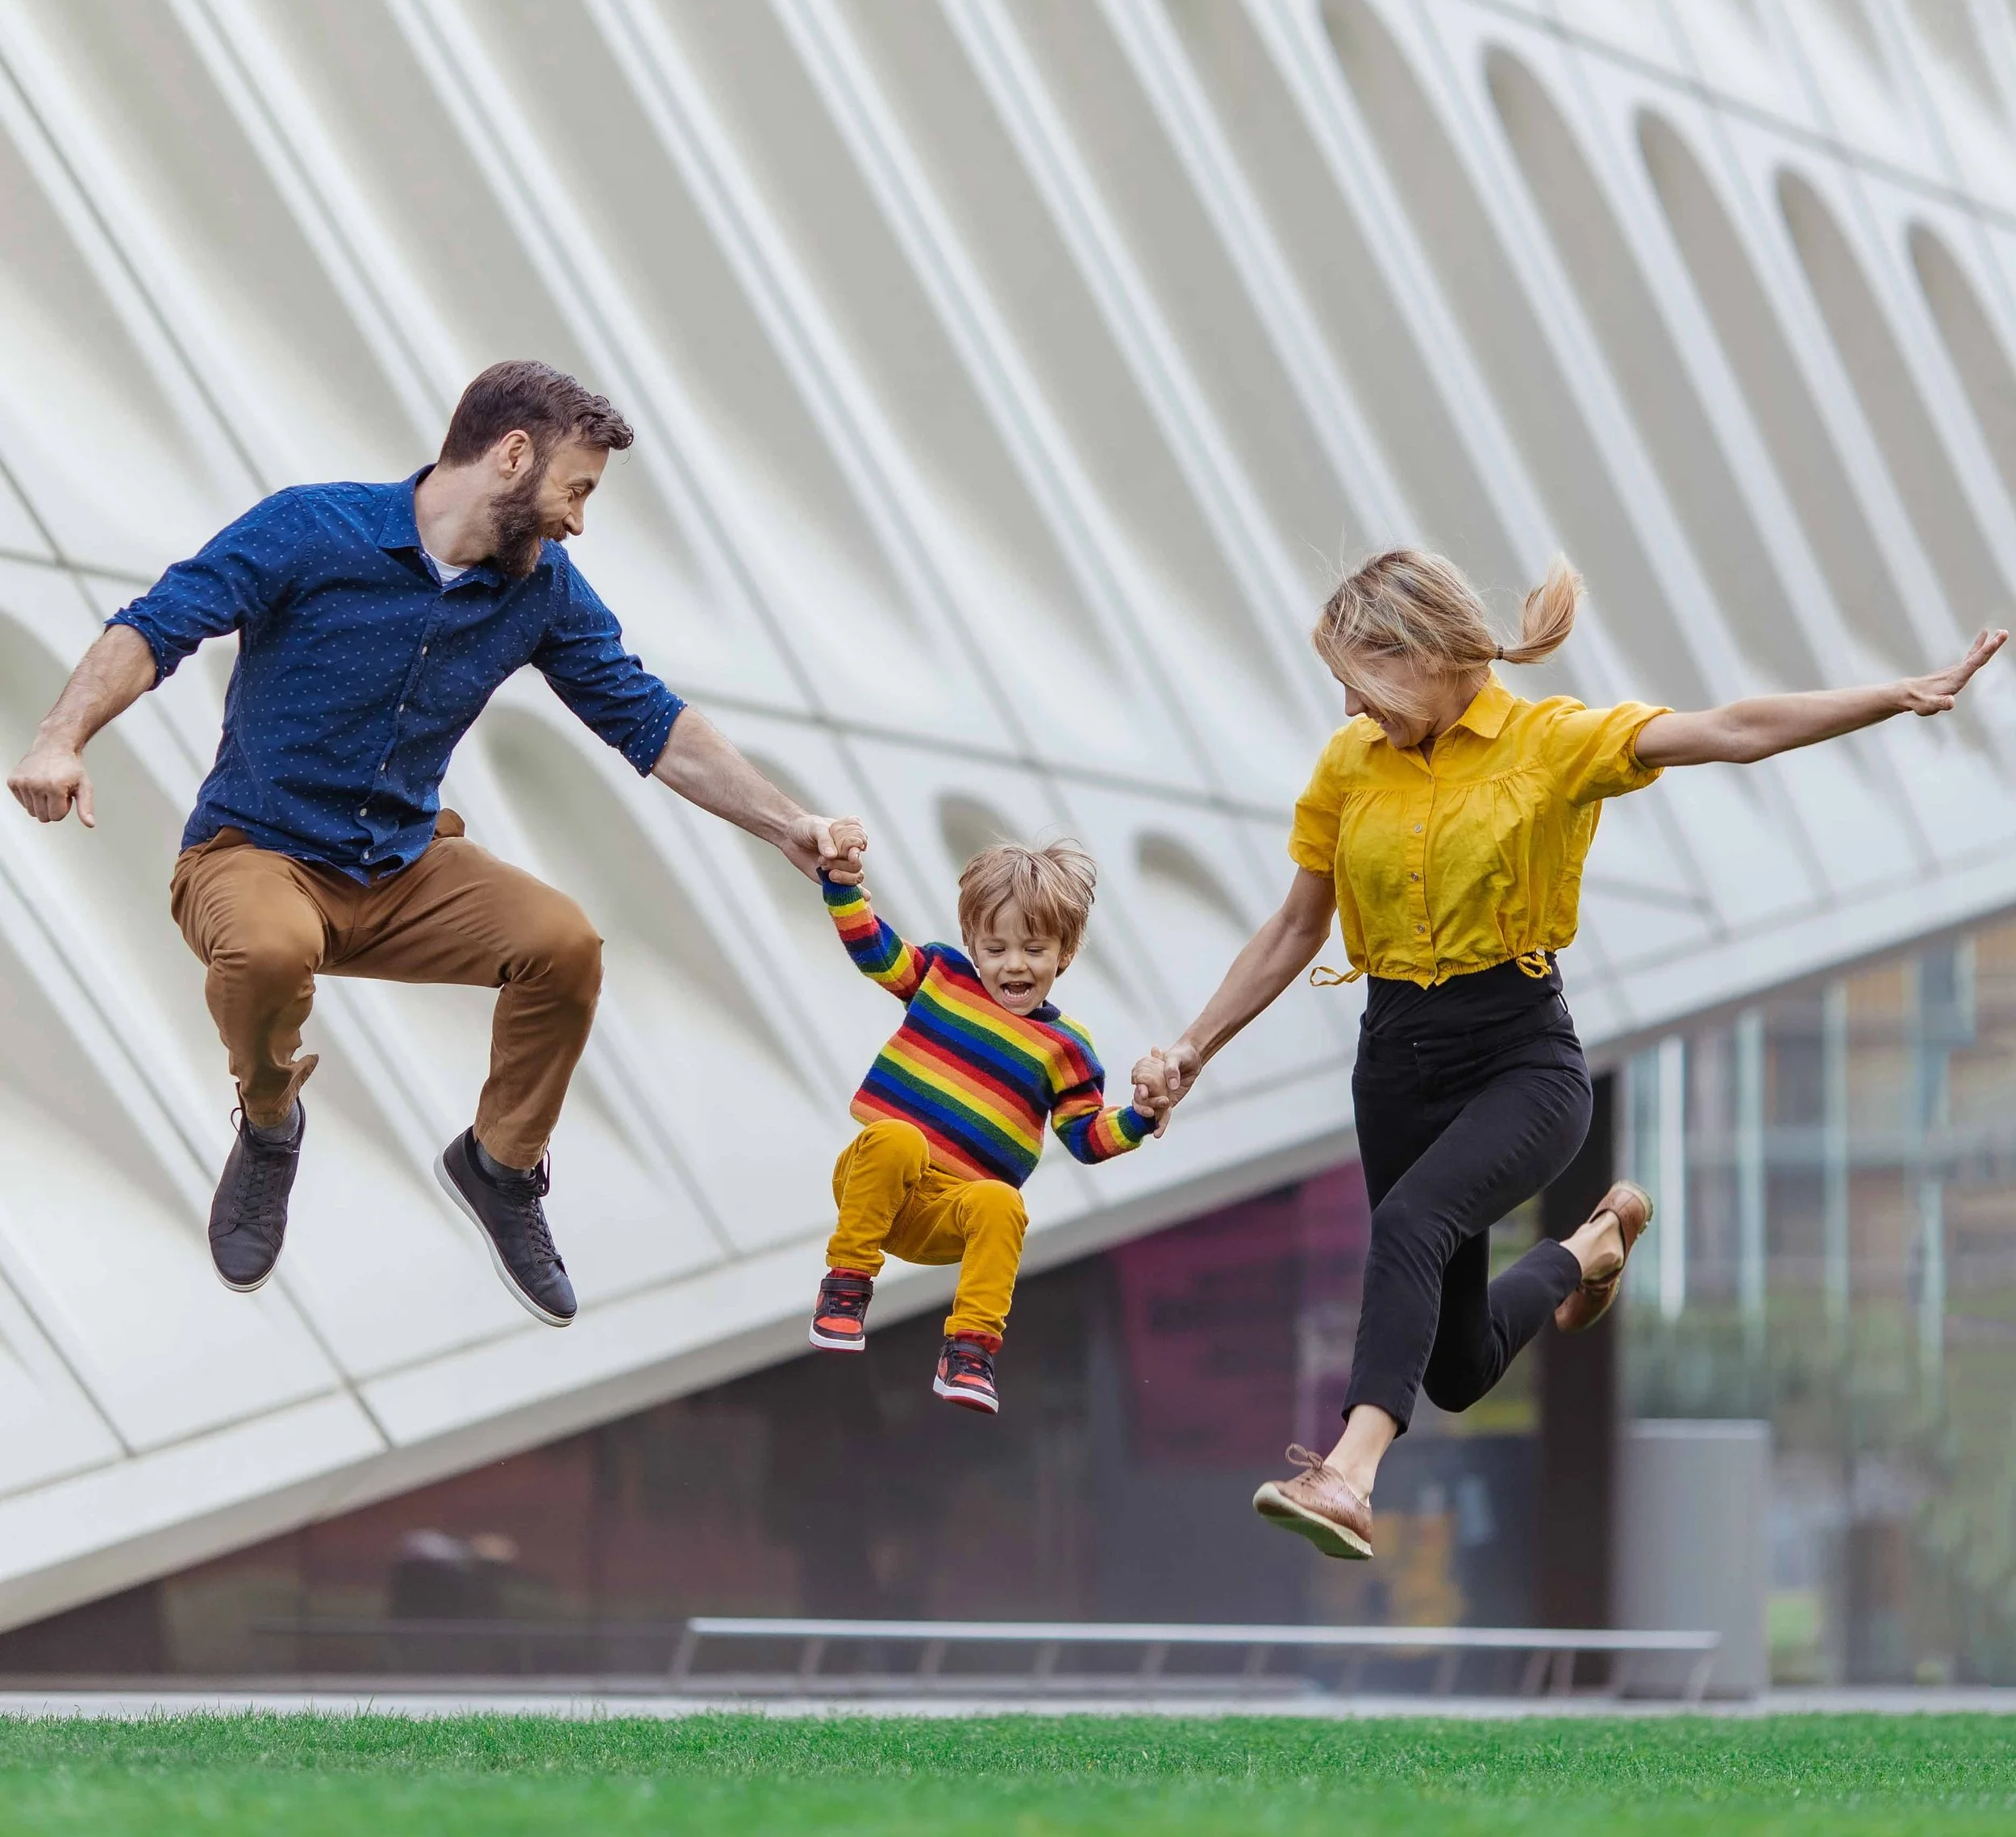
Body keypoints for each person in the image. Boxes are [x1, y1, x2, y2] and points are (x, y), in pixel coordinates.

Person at [1131, 548, 2004, 1564]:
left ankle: (1348, 1472)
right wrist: (1193, 1046)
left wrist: (1898, 694)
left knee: (1411, 1219)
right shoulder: (1347, 764)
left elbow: (1727, 729)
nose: (1345, 702)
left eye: (1357, 676)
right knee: (1454, 1367)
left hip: (1520, 1058)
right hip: (1393, 1060)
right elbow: (1292, 927)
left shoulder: (1550, 741)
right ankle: (1589, 1250)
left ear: (1421, 653)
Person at [5, 360, 865, 1330]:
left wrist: (789, 821)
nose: (578, 520)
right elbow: (158, 624)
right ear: (511, 455)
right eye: (575, 489)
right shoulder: (312, 527)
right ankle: (270, 1122)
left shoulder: (540, 591)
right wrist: (59, 736)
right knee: (270, 949)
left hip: (406, 867)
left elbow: (649, 720)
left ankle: (498, 1164)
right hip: (258, 855)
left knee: (564, 943)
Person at [808, 839, 1161, 1414]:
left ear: (1064, 953)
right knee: (899, 1138)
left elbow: (1088, 1137)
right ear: (972, 944)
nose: (1013, 963)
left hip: (947, 1218)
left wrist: (1141, 1115)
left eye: (1033, 948)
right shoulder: (943, 976)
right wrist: (843, 886)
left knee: (1002, 1201)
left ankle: (970, 1350)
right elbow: (876, 951)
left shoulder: (1066, 1048)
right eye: (995, 947)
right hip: (874, 1183)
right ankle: (846, 1285)